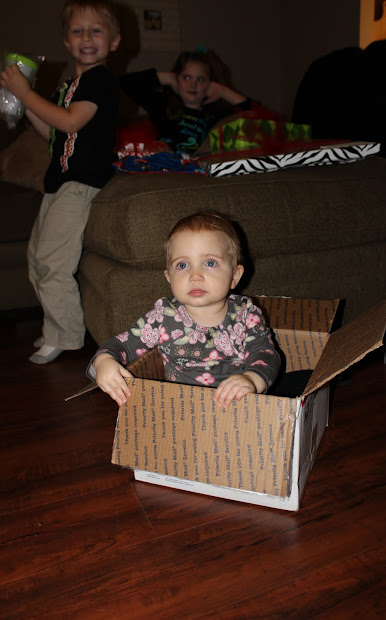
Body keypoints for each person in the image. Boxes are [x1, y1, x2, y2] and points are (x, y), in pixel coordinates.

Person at [0, 0, 121, 364]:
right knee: (37, 258)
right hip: (59, 182)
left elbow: (70, 122)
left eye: (96, 31)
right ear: (67, 42)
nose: (86, 38)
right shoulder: (71, 85)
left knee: (54, 260)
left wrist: (26, 94)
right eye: (77, 32)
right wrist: (24, 103)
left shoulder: (99, 81)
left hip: (81, 184)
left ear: (114, 41)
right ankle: (56, 326)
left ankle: (65, 335)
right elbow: (55, 131)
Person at [88, 211, 281, 408]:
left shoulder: (246, 314)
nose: (195, 275)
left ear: (234, 276)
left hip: (239, 407)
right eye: (182, 265)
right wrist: (103, 361)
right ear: (169, 277)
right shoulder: (163, 317)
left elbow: (265, 353)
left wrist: (251, 379)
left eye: (210, 263)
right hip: (183, 410)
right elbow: (124, 343)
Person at [120, 50, 252, 153]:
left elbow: (255, 116)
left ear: (211, 84)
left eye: (201, 79)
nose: (192, 85)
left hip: (196, 170)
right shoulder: (162, 104)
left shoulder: (216, 115)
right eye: (186, 77)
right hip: (162, 167)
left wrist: (223, 91)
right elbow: (125, 83)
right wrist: (168, 78)